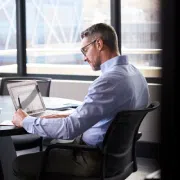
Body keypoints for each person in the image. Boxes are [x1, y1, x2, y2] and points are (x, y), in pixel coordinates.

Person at [0, 23, 150, 180]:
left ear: (99, 44)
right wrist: (64, 115)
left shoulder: (108, 81)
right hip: (117, 158)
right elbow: (107, 114)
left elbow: (69, 130)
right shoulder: (136, 75)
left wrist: (25, 121)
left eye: (85, 50)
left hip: (90, 159)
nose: (84, 57)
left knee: (18, 164)